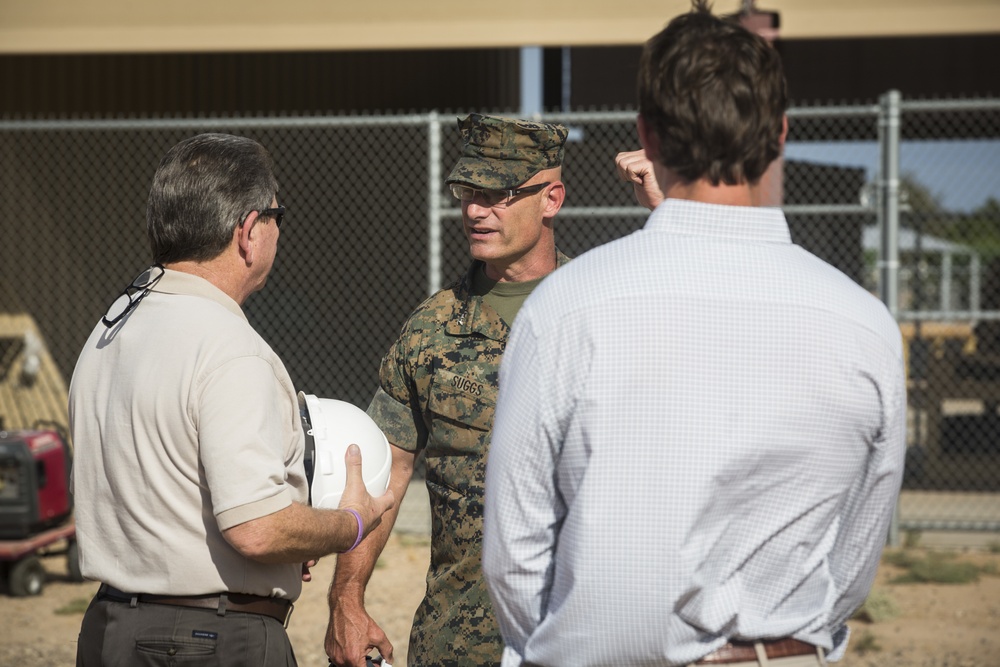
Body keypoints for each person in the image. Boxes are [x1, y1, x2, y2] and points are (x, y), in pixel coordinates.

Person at [482, 3, 907, 666]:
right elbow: (852, 556)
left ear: (646, 135)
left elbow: (515, 555)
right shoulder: (864, 327)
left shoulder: (565, 308)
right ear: (781, 134)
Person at [69, 133, 395, 667]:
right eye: (276, 218)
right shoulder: (230, 347)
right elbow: (257, 529)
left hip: (111, 629)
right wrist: (349, 523)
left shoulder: (111, 330)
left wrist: (292, 543)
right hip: (208, 641)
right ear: (248, 231)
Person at [325, 114, 570, 667]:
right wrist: (347, 599)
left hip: (579, 633)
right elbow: (383, 474)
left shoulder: (596, 314)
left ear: (550, 199)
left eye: (499, 194)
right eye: (467, 191)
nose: (476, 211)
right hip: (461, 641)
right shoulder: (430, 328)